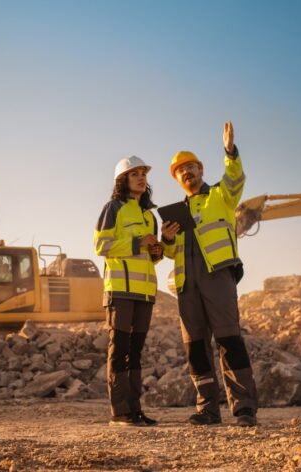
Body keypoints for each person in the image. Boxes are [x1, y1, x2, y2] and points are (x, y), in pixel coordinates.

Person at [161, 121, 259, 427]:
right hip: (186, 284)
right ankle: (207, 408)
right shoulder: (175, 214)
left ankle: (243, 407)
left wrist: (230, 151)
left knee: (229, 339)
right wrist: (165, 238)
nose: (187, 172)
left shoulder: (220, 195)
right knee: (196, 348)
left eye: (191, 167)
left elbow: (235, 178)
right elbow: (169, 252)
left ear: (201, 170)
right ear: (177, 179)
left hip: (218, 276)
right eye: (181, 170)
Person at [94, 155, 163, 427]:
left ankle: (135, 410)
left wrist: (157, 250)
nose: (142, 177)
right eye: (135, 174)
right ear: (122, 180)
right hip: (120, 291)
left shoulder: (149, 216)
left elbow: (151, 257)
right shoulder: (113, 208)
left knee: (135, 352)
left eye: (144, 173)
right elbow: (102, 246)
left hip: (145, 293)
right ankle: (119, 412)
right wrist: (137, 243)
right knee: (119, 349)